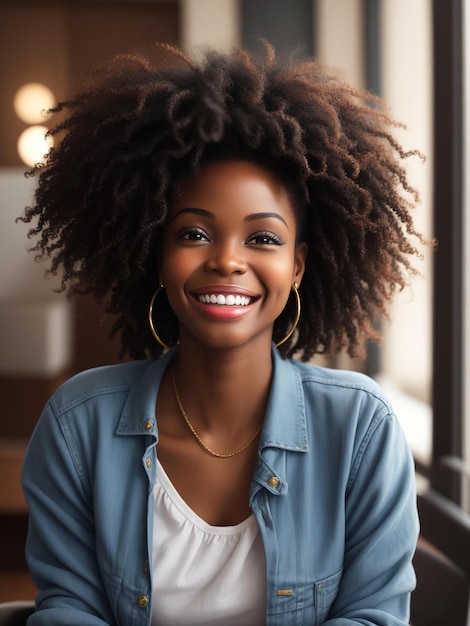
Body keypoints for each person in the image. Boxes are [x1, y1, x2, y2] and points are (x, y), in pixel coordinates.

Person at [20, 41, 426, 625]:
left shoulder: (361, 429)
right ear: (156, 256)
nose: (228, 262)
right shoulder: (77, 424)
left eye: (262, 238)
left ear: (299, 266)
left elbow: (375, 616)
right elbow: (68, 611)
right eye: (194, 234)